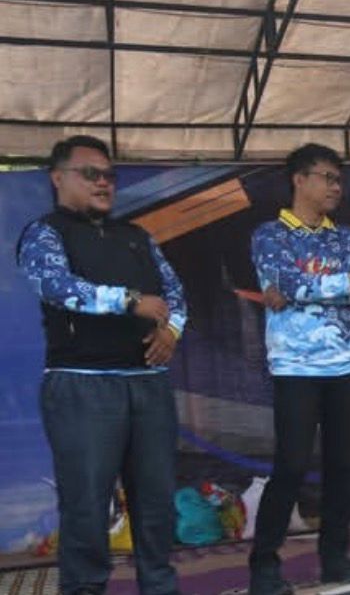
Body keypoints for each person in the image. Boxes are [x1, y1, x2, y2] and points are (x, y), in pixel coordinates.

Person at [16, 135, 187, 595]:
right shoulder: (45, 233)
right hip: (83, 385)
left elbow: (174, 293)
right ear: (57, 178)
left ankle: (160, 587)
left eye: (109, 175)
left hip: (148, 385)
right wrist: (129, 300)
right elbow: (56, 286)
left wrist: (172, 331)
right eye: (90, 173)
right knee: (87, 505)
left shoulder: (136, 236)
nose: (103, 182)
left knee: (156, 503)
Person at [248, 143, 350, 595]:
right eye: (327, 178)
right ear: (299, 180)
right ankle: (264, 564)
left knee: (341, 466)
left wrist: (306, 288)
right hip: (295, 368)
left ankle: (334, 559)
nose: (335, 187)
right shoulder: (270, 234)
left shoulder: (348, 237)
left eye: (339, 180)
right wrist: (344, 284)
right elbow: (286, 284)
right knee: (292, 464)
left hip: (347, 366)